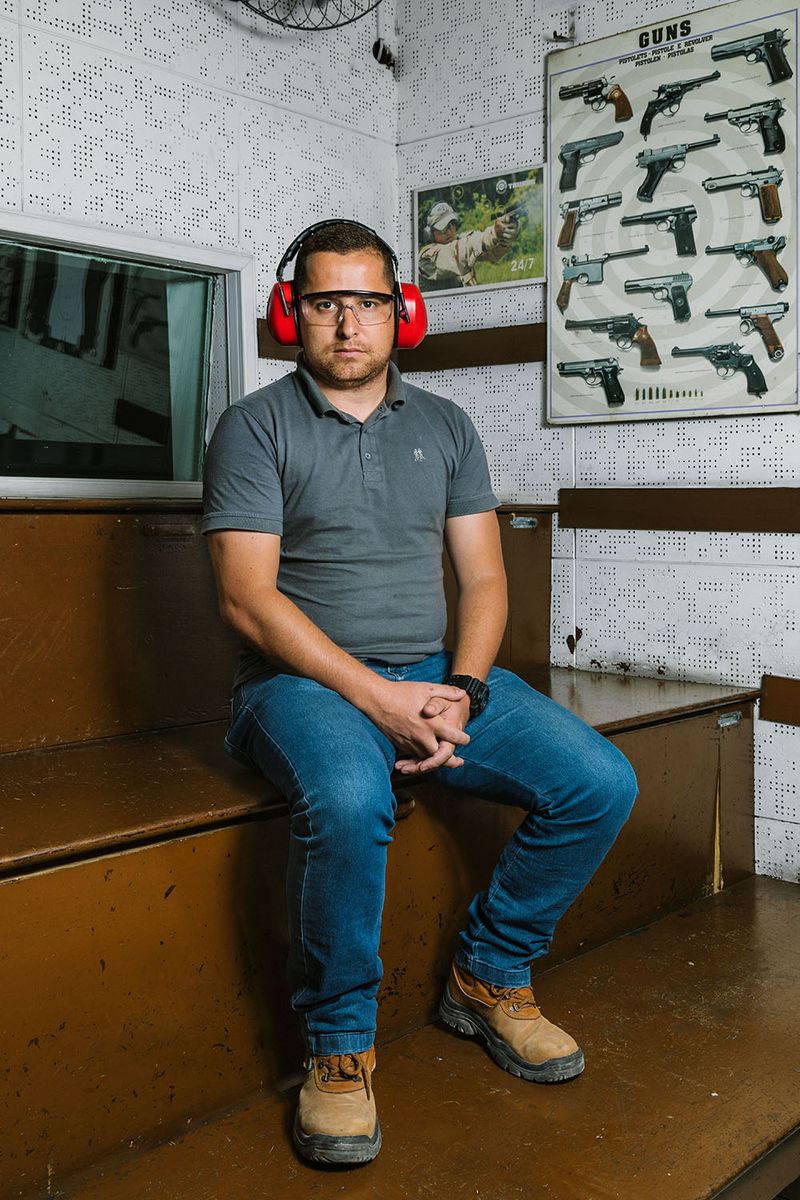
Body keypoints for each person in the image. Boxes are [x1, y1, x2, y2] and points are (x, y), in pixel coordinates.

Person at [201, 220, 637, 1168]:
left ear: (405, 314)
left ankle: (487, 975)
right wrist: (380, 700)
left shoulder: (445, 426)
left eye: (368, 302)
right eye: (325, 302)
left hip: (437, 678)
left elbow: (483, 582)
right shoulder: (254, 425)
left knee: (601, 780)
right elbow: (246, 600)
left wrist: (464, 690)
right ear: (292, 314)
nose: (348, 323)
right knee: (352, 800)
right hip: (298, 686)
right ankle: (339, 1051)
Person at [417, 200, 518, 290]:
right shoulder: (426, 258)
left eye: (452, 224)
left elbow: (490, 254)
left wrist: (503, 237)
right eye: (443, 228)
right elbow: (460, 251)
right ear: (429, 234)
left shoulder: (460, 241)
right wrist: (493, 233)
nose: (449, 231)